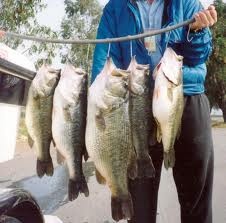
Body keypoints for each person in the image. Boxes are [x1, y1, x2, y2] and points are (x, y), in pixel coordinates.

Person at [91, 0, 217, 223]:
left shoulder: (187, 4)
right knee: (139, 210)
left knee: (196, 204)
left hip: (185, 99)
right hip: (137, 105)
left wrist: (198, 32)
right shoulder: (115, 8)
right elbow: (104, 62)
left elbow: (198, 58)